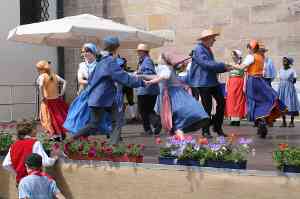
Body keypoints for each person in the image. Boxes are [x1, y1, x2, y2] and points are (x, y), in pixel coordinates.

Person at [72, 36, 145, 145]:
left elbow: (92, 78)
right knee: (116, 121)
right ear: (116, 48)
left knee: (95, 124)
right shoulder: (109, 61)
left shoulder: (101, 61)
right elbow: (123, 77)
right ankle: (112, 147)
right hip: (103, 98)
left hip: (98, 98)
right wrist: (142, 82)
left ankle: (72, 139)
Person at [142, 52, 209, 137]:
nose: (158, 59)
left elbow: (164, 77)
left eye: (160, 58)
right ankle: (179, 142)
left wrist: (149, 82)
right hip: (175, 94)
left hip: (175, 96)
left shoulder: (166, 68)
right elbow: (157, 76)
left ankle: (181, 142)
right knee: (175, 121)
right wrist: (141, 76)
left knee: (176, 121)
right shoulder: (166, 68)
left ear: (164, 60)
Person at [233, 40, 286, 138]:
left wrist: (231, 66)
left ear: (252, 48)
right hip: (261, 80)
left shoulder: (251, 56)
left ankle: (260, 122)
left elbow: (242, 67)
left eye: (249, 47)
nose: (248, 49)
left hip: (252, 81)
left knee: (253, 101)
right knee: (264, 100)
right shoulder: (261, 58)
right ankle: (262, 122)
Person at [186, 28, 232, 138]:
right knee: (207, 107)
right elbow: (206, 64)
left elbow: (211, 64)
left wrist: (225, 68)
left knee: (222, 102)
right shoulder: (199, 49)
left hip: (211, 81)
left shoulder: (206, 48)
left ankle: (217, 125)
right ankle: (206, 130)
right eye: (213, 38)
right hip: (203, 82)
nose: (214, 40)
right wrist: (224, 66)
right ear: (207, 39)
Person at [63, 43, 112, 136]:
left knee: (100, 117)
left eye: (87, 51)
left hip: (99, 94)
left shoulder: (99, 64)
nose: (85, 54)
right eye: (83, 52)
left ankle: (110, 135)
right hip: (86, 94)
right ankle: (80, 136)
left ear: (93, 52)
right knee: (80, 115)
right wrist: (92, 82)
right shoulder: (82, 65)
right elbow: (80, 80)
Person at [2, 119, 57, 185]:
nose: (37, 131)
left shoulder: (13, 146)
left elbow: (5, 164)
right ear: (30, 131)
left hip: (20, 181)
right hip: (34, 181)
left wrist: (17, 173)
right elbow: (46, 162)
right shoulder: (35, 143)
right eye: (35, 129)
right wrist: (54, 158)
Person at [36, 60, 68, 141]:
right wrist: (61, 93)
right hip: (56, 100)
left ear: (41, 69)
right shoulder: (54, 75)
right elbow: (65, 82)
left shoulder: (42, 76)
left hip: (48, 101)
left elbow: (40, 87)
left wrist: (42, 97)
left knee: (47, 118)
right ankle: (61, 133)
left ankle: (54, 135)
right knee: (58, 117)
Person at [136, 43, 162, 135]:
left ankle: (150, 128)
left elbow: (150, 74)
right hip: (148, 90)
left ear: (144, 52)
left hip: (146, 90)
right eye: (138, 51)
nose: (138, 53)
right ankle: (154, 124)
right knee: (148, 110)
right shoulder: (143, 61)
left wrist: (139, 73)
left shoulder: (146, 61)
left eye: (140, 51)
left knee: (143, 110)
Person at [225, 50, 247, 126]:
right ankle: (232, 119)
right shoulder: (231, 64)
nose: (233, 56)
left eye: (234, 55)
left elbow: (245, 75)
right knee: (231, 100)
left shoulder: (242, 64)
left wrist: (244, 85)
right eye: (232, 55)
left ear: (238, 56)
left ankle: (237, 119)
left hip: (239, 83)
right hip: (231, 83)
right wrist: (226, 85)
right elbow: (228, 75)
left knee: (238, 101)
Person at [278, 57, 300, 127]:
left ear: (289, 62)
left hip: (289, 89)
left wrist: (291, 80)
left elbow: (294, 80)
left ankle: (292, 121)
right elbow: (280, 78)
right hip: (282, 89)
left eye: (285, 61)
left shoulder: (292, 70)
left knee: (290, 103)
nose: (284, 62)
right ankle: (284, 122)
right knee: (282, 104)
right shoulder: (280, 70)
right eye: (283, 61)